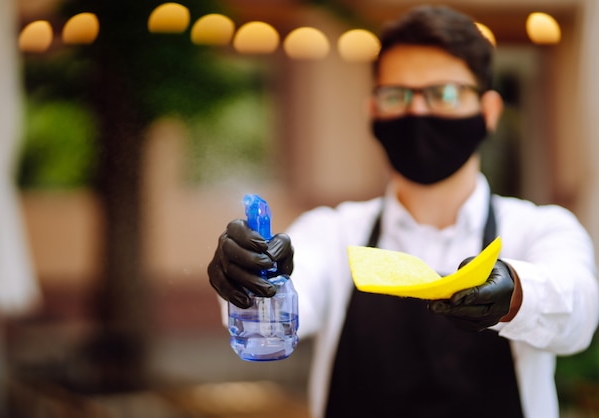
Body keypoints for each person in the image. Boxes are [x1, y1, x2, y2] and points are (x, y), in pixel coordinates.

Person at [207, 5, 599, 418]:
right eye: (396, 95)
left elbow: (578, 313)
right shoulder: (333, 232)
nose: (417, 111)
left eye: (444, 93)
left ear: (489, 111)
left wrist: (516, 294)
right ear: (374, 111)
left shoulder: (540, 229)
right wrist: (251, 273)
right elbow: (295, 283)